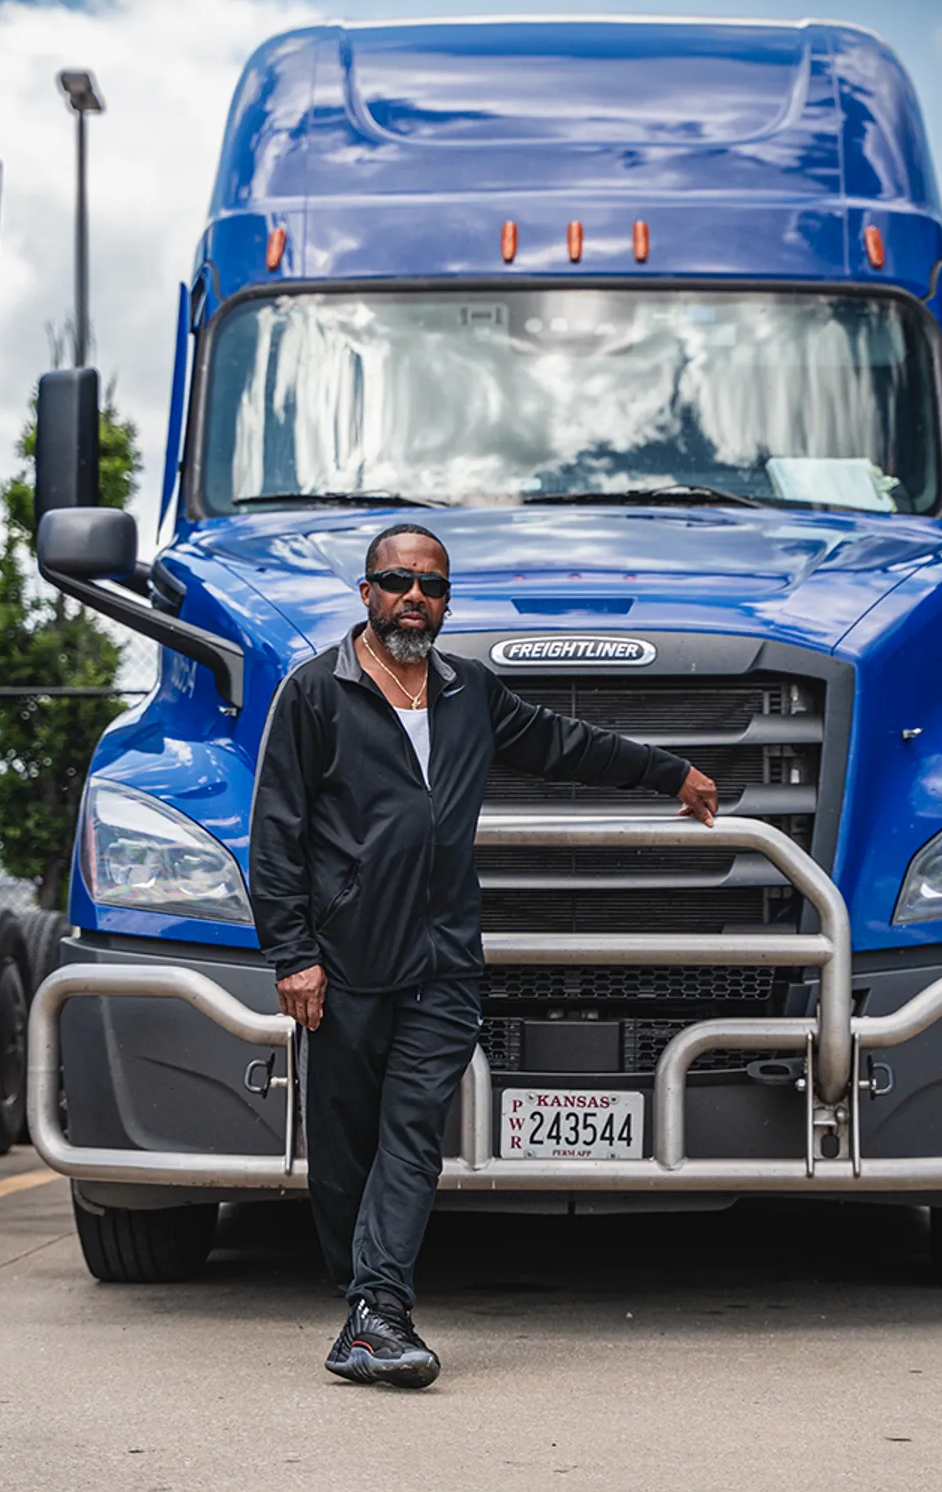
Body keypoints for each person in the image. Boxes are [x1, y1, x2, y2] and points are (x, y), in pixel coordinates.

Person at [250, 523, 718, 1388]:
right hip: (346, 963)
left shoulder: (469, 691)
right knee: (344, 1153)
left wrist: (669, 772)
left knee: (412, 1136)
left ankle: (379, 1312)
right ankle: (362, 1301)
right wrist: (292, 954)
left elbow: (566, 743)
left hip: (445, 961)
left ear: (446, 601)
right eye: (397, 582)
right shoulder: (316, 692)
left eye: (430, 586)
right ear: (366, 593)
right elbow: (276, 831)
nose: (413, 598)